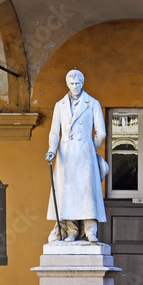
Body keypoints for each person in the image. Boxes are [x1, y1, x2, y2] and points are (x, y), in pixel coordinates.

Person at [45, 69, 107, 243]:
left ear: (83, 83)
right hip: (66, 155)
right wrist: (52, 149)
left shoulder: (92, 103)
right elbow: (54, 132)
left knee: (88, 192)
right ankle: (72, 230)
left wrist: (88, 148)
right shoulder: (60, 105)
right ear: (67, 84)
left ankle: (90, 230)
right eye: (72, 83)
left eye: (78, 83)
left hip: (85, 154)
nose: (75, 86)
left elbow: (101, 133)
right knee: (68, 192)